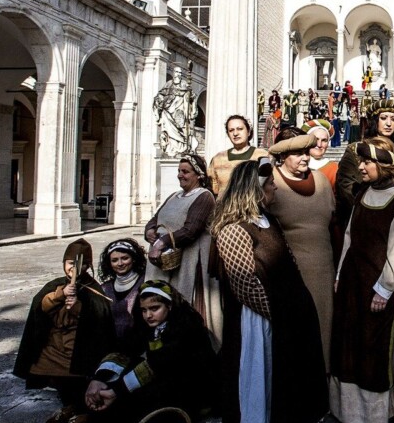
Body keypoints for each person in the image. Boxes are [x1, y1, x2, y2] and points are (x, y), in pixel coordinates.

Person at [212, 159, 328, 423]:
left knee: (286, 389)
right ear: (254, 190)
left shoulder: (269, 220)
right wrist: (279, 315)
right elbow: (244, 283)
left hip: (282, 322)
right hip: (256, 324)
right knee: (256, 392)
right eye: (269, 184)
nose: (275, 188)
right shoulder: (233, 228)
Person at [330, 137, 394, 423]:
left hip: (384, 284)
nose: (361, 167)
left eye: (367, 162)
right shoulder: (362, 194)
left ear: (382, 166)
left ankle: (380, 411)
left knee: (377, 344)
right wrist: (340, 275)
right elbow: (349, 236)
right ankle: (350, 410)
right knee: (352, 341)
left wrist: (383, 290)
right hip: (354, 281)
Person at [84, 280, 222, 423]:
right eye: (144, 310)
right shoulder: (148, 326)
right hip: (164, 377)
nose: (148, 315)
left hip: (191, 387)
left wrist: (117, 391)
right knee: (119, 382)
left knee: (137, 400)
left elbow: (159, 363)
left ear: (169, 306)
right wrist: (99, 379)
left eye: (154, 308)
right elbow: (125, 349)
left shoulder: (187, 328)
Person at [13, 239, 116, 423]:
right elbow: (40, 306)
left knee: (76, 377)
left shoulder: (93, 288)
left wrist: (77, 306)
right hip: (54, 344)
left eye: (81, 264)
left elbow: (98, 317)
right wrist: (60, 295)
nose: (74, 268)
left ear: (88, 266)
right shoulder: (55, 285)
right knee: (49, 371)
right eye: (70, 263)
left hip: (78, 346)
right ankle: (69, 407)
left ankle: (81, 413)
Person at [266, 131, 338, 371]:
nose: (305, 158)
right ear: (283, 155)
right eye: (297, 153)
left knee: (323, 326)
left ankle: (322, 378)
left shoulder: (322, 181)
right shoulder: (271, 183)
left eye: (306, 152)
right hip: (287, 274)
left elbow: (334, 225)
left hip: (323, 271)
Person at [145, 155, 221, 345]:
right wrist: (150, 231)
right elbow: (155, 218)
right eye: (179, 171)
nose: (180, 175)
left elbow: (191, 230)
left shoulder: (204, 197)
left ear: (199, 175)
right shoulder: (174, 196)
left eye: (185, 172)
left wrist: (161, 243)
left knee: (186, 305)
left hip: (190, 261)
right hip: (165, 262)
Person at [335, 98, 394, 217]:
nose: (389, 123)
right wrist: (369, 206)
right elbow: (345, 184)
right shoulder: (355, 149)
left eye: (393, 119)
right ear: (375, 120)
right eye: (383, 118)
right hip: (363, 215)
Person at [208, 115, 269, 197]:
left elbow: (269, 186)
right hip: (223, 204)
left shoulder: (262, 155)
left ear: (248, 132)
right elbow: (213, 188)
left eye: (240, 129)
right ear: (228, 134)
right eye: (231, 130)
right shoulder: (218, 158)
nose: (235, 133)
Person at [99, 238, 147, 339]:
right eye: (114, 260)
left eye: (125, 258)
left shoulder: (145, 283)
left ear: (134, 259)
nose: (120, 263)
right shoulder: (104, 288)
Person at [304, 119, 339, 189]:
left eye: (324, 140)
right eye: (315, 139)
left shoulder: (335, 169)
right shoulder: (297, 165)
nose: (319, 144)